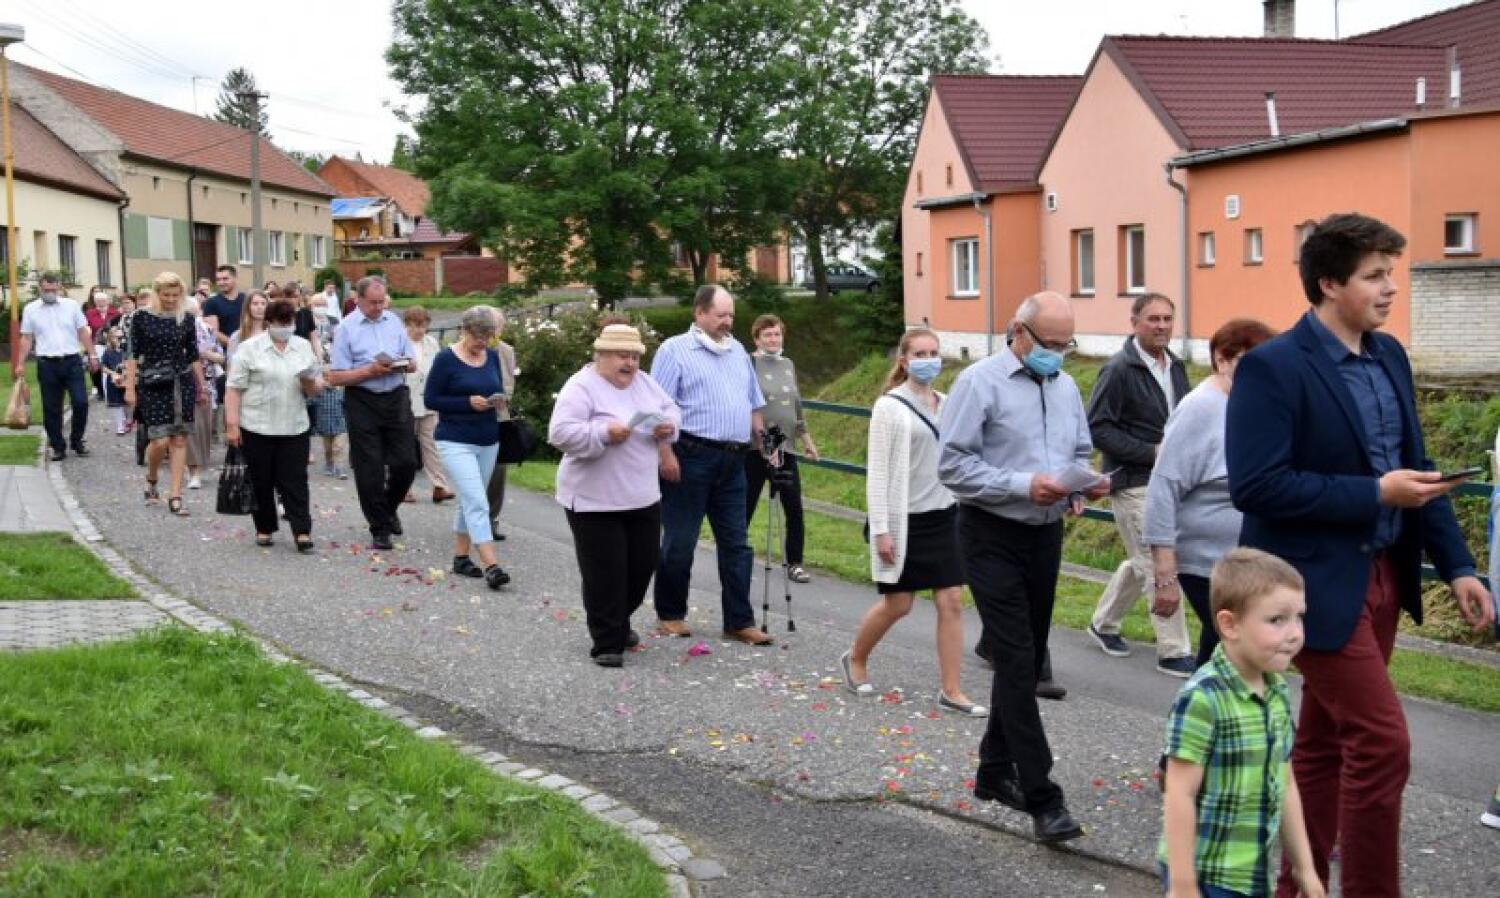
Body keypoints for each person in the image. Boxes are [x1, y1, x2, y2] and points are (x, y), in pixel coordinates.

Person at [1225, 213, 1494, 898]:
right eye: (1374, 275)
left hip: (1382, 578)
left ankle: (1299, 887)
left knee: (1324, 746)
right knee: (1381, 743)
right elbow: (1257, 485)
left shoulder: (1389, 355)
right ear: (1328, 283)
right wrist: (1374, 492)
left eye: (1390, 273)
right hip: (1306, 587)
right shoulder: (1273, 367)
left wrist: (1459, 566)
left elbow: (1418, 469)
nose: (1390, 288)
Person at [938, 291, 1109, 844]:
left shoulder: (1065, 386)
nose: (1056, 353)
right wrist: (1020, 484)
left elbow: (1077, 452)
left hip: (1045, 533)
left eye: (1066, 344)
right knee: (1016, 661)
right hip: (991, 532)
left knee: (1028, 658)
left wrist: (1079, 486)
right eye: (1048, 342)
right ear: (1018, 330)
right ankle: (1043, 798)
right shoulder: (978, 383)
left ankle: (994, 770)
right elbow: (952, 465)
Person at [1159, 548, 1323, 898]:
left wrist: (1304, 867)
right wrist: (1183, 883)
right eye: (1277, 620)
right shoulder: (1203, 699)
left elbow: (1285, 783)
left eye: (1299, 617)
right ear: (1230, 625)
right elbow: (1179, 793)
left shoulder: (1276, 692)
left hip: (1252, 875)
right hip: (1207, 875)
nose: (1294, 633)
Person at [845, 327, 984, 717]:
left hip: (945, 515)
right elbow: (878, 473)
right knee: (899, 604)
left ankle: (951, 689)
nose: (928, 360)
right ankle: (856, 658)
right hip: (904, 519)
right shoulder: (888, 407)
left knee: (951, 600)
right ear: (904, 360)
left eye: (933, 353)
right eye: (920, 354)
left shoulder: (948, 403)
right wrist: (881, 529)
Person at [1144, 319, 1275, 668]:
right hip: (1205, 561)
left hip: (1242, 559)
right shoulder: (1201, 407)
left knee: (1223, 653)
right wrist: (1165, 571)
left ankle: (1200, 702)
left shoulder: (1251, 403)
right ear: (1222, 359)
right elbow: (1164, 484)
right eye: (1250, 361)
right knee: (1239, 646)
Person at [549, 324, 680, 667]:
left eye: (635, 357)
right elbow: (559, 433)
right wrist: (603, 432)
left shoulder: (645, 383)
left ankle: (618, 621)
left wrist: (667, 427)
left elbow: (670, 409)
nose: (631, 364)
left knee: (642, 567)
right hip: (593, 499)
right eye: (623, 356)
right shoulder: (581, 386)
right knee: (605, 572)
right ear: (601, 355)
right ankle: (607, 642)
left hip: (642, 494)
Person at [650, 284, 774, 646]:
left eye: (731, 315)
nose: (727, 321)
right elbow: (657, 408)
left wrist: (765, 442)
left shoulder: (737, 352)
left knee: (737, 543)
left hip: (734, 460)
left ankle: (739, 620)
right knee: (681, 540)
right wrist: (665, 454)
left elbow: (753, 404)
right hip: (690, 455)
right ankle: (670, 613)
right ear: (700, 313)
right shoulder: (674, 350)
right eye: (720, 315)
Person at [1085, 292, 1195, 677]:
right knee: (1156, 559)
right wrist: (1151, 452)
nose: (1162, 326)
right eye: (1153, 319)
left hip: (1172, 482)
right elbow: (1098, 429)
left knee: (1141, 559)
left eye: (1167, 319)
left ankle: (1103, 622)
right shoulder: (1117, 370)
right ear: (1134, 323)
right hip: (1132, 481)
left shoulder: (1176, 366)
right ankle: (1174, 650)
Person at [327, 275, 418, 551]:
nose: (379, 308)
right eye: (373, 303)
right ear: (358, 300)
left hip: (395, 396)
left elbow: (411, 359)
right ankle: (379, 527)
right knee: (370, 467)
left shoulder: (393, 321)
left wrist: (406, 364)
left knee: (406, 463)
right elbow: (336, 377)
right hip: (362, 399)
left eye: (382, 302)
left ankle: (388, 508)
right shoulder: (346, 328)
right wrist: (369, 371)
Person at [224, 298, 323, 552]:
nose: (286, 327)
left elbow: (314, 390)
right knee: (261, 480)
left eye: (289, 322)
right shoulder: (249, 348)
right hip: (257, 425)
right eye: (280, 322)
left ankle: (302, 530)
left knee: (295, 480)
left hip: (294, 424)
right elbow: (234, 388)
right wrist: (232, 424)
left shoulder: (302, 346)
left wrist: (310, 381)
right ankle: (264, 527)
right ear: (268, 323)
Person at [423, 306, 509, 589]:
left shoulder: (492, 357)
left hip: (488, 438)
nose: (482, 343)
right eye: (478, 337)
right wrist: (466, 403)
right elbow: (431, 399)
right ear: (464, 330)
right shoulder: (446, 359)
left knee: (470, 499)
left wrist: (497, 400)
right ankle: (491, 565)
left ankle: (461, 557)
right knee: (477, 501)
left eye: (488, 337)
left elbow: (497, 387)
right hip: (454, 439)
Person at [125, 272, 210, 517]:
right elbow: (132, 354)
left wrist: (202, 385)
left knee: (179, 440)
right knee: (160, 441)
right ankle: (152, 478)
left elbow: (192, 354)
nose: (171, 299)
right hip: (152, 382)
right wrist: (130, 387)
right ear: (157, 293)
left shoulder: (187, 318)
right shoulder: (141, 317)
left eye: (175, 295)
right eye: (166, 295)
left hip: (181, 381)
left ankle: (175, 495)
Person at [745, 314, 819, 584]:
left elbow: (795, 405)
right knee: (745, 506)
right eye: (767, 335)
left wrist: (806, 439)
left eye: (777, 334)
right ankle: (734, 557)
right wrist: (765, 443)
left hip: (785, 446)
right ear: (757, 339)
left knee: (794, 506)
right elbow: (747, 404)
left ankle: (795, 563)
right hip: (755, 448)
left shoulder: (788, 364)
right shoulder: (748, 364)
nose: (773, 339)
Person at [13, 271, 98, 461]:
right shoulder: (31, 309)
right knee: (51, 408)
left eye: (53, 290)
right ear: (40, 288)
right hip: (47, 364)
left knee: (81, 402)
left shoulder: (71, 306)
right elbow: (27, 337)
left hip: (71, 361)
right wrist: (20, 363)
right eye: (46, 290)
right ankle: (58, 446)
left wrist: (92, 354)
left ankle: (77, 440)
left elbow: (82, 331)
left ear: (59, 288)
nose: (50, 293)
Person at [403, 306, 455, 503]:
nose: (420, 330)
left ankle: (439, 486)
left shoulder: (432, 342)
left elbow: (439, 369)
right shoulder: (399, 341)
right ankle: (403, 488)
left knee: (432, 446)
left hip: (428, 402)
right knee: (405, 447)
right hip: (405, 401)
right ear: (407, 324)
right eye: (416, 325)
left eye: (424, 326)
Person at [181, 295, 225, 490]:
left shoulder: (207, 330)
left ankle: (198, 467)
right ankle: (193, 470)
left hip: (207, 385)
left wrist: (205, 354)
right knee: (188, 427)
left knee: (203, 429)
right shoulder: (175, 329)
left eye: (194, 312)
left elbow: (221, 357)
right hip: (182, 383)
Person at [483, 307, 520, 540]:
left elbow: (509, 383)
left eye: (498, 327)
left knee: (498, 471)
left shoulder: (506, 350)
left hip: (499, 416)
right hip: (473, 416)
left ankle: (492, 519)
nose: (495, 332)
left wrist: (502, 397)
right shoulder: (466, 350)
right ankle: (473, 518)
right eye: (492, 326)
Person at [307, 287, 348, 478]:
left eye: (323, 304)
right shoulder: (307, 322)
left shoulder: (333, 322)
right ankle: (325, 459)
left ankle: (338, 466)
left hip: (332, 364)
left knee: (339, 443)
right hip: (314, 366)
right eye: (317, 304)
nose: (320, 308)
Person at [84, 286, 119, 400]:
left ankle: (112, 388)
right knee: (96, 367)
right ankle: (100, 390)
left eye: (103, 301)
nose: (100, 303)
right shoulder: (90, 313)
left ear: (107, 301)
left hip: (112, 343)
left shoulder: (115, 312)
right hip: (96, 343)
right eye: (98, 301)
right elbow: (86, 328)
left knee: (111, 365)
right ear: (95, 302)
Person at [226, 290, 269, 370]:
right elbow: (231, 367)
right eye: (255, 304)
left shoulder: (273, 334)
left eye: (263, 304)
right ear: (248, 307)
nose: (260, 307)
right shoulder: (237, 336)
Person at [100, 326, 128, 435]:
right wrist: (113, 373)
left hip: (127, 379)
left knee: (127, 402)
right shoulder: (108, 352)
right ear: (111, 338)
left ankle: (126, 421)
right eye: (117, 338)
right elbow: (103, 367)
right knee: (117, 404)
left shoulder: (126, 351)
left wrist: (125, 366)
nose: (120, 340)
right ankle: (120, 426)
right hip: (114, 381)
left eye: (121, 338)